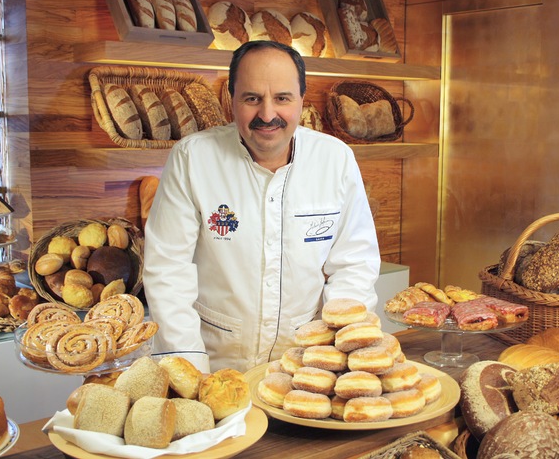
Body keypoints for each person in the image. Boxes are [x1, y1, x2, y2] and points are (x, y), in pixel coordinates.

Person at [143, 40, 381, 373]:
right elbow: (168, 269)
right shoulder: (192, 158)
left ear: (301, 98)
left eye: (282, 98)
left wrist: (341, 354)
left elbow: (354, 265)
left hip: (305, 364)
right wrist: (189, 370)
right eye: (252, 98)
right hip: (213, 360)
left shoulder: (335, 159)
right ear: (231, 98)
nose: (267, 114)